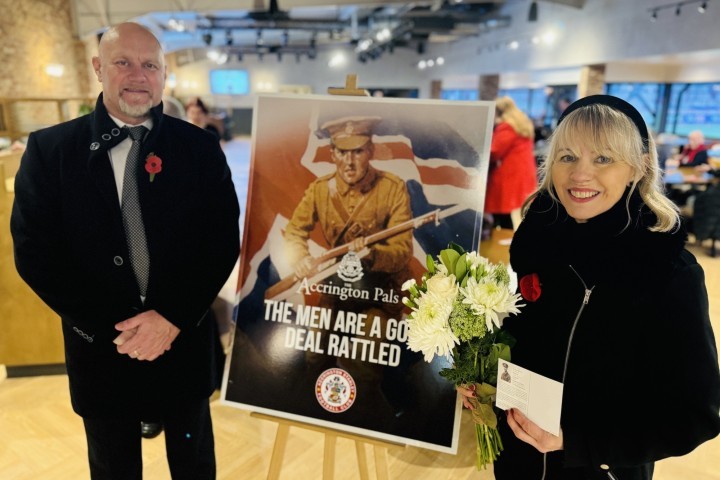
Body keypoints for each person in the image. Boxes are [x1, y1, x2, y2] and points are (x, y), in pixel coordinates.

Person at [10, 22, 240, 479]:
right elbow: (36, 253)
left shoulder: (199, 147)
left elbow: (220, 240)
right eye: (123, 62)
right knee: (113, 467)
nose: (138, 74)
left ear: (164, 75)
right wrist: (115, 329)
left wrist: (171, 317)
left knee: (195, 464)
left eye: (150, 65)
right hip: (101, 350)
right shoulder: (50, 150)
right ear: (99, 68)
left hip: (182, 340)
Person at [459, 95, 720, 479]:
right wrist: (485, 378)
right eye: (567, 157)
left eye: (603, 158)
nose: (580, 175)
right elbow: (527, 341)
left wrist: (577, 439)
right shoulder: (537, 244)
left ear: (638, 166)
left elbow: (696, 415)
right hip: (518, 460)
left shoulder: (667, 271)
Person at [282, 115, 414, 423]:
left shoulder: (392, 189)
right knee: (315, 356)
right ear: (332, 154)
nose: (350, 161)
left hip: (379, 296)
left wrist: (371, 255)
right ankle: (324, 416)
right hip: (337, 291)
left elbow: (401, 252)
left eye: (358, 151)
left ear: (371, 151)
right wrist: (299, 257)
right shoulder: (319, 190)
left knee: (362, 362)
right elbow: (293, 233)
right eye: (343, 152)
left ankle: (372, 422)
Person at [484, 96, 537, 230]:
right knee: (505, 214)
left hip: (507, 175)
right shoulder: (522, 124)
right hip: (522, 173)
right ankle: (505, 241)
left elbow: (494, 152)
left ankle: (497, 243)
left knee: (500, 212)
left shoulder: (506, 127)